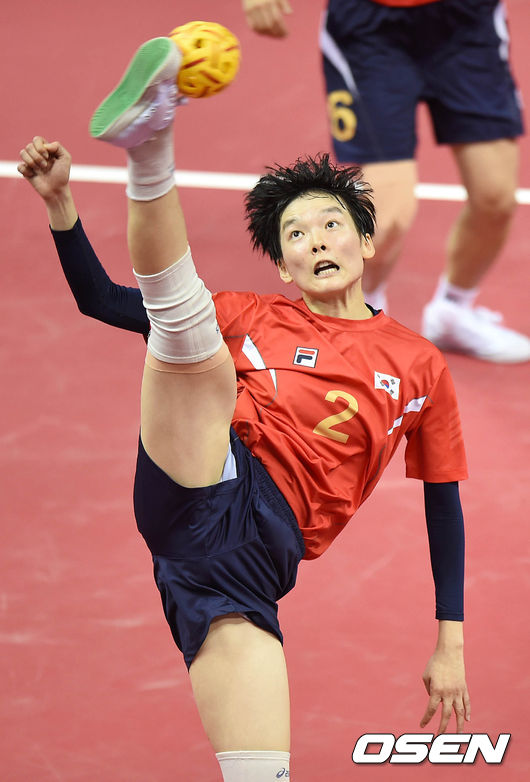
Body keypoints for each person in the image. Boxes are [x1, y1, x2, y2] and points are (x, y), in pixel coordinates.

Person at [18, 35, 471, 781]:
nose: (315, 240)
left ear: (366, 241)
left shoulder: (420, 363)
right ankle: (151, 141)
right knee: (187, 327)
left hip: (245, 569)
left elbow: (443, 502)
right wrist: (61, 206)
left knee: (260, 773)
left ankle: (153, 142)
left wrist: (449, 641)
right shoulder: (253, 316)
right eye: (295, 234)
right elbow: (100, 301)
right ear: (284, 266)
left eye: (330, 224)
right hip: (216, 472)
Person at [243, 0, 530, 364]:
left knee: (496, 199)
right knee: (386, 218)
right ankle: (362, 321)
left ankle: (453, 311)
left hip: (466, 22)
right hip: (371, 29)